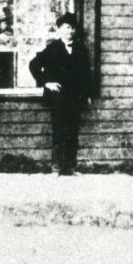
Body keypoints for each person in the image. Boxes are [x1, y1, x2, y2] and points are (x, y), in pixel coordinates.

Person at [29, 12, 93, 175]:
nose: (69, 31)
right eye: (66, 28)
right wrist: (46, 82)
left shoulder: (80, 49)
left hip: (75, 97)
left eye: (72, 28)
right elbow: (34, 65)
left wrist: (87, 94)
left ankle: (70, 167)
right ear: (60, 30)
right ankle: (56, 167)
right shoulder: (53, 48)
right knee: (59, 131)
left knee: (72, 132)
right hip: (58, 98)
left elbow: (86, 74)